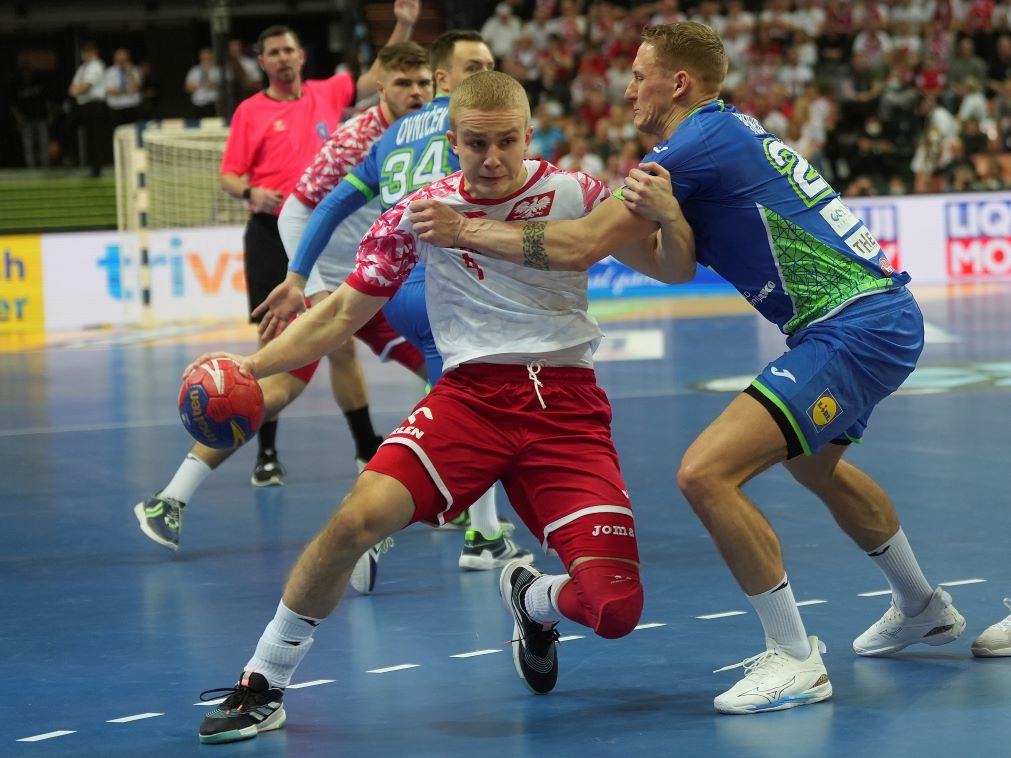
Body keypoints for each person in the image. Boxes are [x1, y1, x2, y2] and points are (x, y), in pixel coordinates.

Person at [409, 21, 967, 715]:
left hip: (854, 326)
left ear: (677, 83)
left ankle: (794, 657)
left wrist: (462, 228)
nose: (627, 89)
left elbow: (581, 245)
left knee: (705, 473)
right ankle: (920, 606)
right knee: (813, 466)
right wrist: (673, 220)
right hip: (867, 319)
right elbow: (676, 264)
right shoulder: (716, 137)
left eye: (638, 75)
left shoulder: (696, 140)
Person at [193, 71, 650, 745]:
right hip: (471, 400)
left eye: (506, 141)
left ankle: (532, 599)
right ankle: (263, 680)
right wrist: (250, 367)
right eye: (476, 143)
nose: (492, 158)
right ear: (452, 140)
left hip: (567, 408)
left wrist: (666, 212)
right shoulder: (417, 211)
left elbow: (666, 262)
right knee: (354, 521)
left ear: (529, 134)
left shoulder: (578, 193)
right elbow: (343, 313)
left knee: (614, 608)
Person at [133, 42, 432, 556]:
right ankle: (170, 499)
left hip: (384, 277)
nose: (417, 92)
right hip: (337, 282)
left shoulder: (430, 130)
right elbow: (294, 210)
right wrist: (309, 285)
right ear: (381, 86)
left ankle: (443, 498)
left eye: (423, 83)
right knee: (270, 391)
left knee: (451, 372)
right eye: (404, 83)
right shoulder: (354, 139)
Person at [257, 30, 525, 577]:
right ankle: (388, 523)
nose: (488, 75)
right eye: (475, 67)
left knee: (459, 403)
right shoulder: (473, 130)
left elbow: (328, 205)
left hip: (398, 289)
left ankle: (477, 531)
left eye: (491, 64)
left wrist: (298, 274)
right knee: (475, 407)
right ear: (445, 77)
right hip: (447, 288)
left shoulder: (397, 131)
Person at [219, 0, 419, 487]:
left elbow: (384, 74)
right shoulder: (250, 111)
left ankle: (365, 447)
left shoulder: (329, 91)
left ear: (301, 55)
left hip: (326, 236)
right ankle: (267, 454)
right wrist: (250, 192)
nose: (283, 58)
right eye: (273, 52)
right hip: (274, 233)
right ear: (262, 62)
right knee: (276, 343)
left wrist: (404, 24)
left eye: (288, 49)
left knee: (341, 344)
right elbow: (229, 174)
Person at [67, 42, 106, 177]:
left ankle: (96, 168)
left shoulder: (96, 65)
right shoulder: (83, 68)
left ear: (93, 53)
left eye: (87, 53)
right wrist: (77, 90)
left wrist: (78, 90)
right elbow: (72, 88)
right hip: (84, 105)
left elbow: (85, 87)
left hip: (94, 105)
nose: (85, 56)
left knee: (95, 137)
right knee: (86, 135)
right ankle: (83, 162)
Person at [104, 47, 143, 129]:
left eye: (124, 59)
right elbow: (110, 91)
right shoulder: (109, 72)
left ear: (128, 59)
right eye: (119, 59)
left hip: (133, 107)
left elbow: (136, 88)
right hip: (116, 108)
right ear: (115, 59)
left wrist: (129, 72)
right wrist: (127, 90)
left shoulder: (135, 70)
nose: (121, 62)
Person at [185, 48, 221, 119]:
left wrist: (213, 84)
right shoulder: (194, 70)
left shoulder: (217, 70)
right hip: (198, 104)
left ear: (212, 57)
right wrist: (204, 85)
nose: (205, 59)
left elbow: (221, 86)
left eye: (208, 57)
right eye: (204, 57)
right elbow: (188, 88)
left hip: (213, 104)